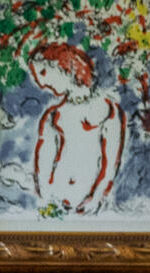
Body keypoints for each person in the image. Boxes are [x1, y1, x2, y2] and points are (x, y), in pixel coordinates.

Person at [27, 40, 123, 216]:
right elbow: (44, 163)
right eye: (36, 77)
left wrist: (96, 198)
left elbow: (110, 162)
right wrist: (47, 199)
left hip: (91, 206)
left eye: (42, 72)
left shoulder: (108, 110)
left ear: (63, 63)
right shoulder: (53, 116)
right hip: (56, 200)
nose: (41, 83)